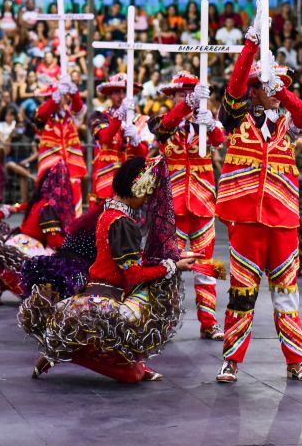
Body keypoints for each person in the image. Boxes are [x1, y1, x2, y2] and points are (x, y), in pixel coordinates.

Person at [20, 157, 197, 383]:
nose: (145, 202)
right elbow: (134, 275)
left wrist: (172, 258)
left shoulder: (107, 214)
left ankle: (67, 352)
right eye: (144, 195)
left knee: (126, 357)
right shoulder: (124, 223)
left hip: (92, 290)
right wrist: (170, 266)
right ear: (135, 189)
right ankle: (63, 354)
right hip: (108, 298)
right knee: (131, 374)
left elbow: (129, 260)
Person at [214, 2, 302, 384]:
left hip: (283, 218)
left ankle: (297, 361)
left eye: (274, 87)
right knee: (242, 294)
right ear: (253, 92)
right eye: (264, 88)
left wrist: (285, 92)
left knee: (287, 295)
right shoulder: (237, 115)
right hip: (245, 220)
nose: (271, 93)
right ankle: (231, 360)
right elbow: (235, 86)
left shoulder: (288, 120)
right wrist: (251, 45)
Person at [149, 71, 227, 340]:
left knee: (206, 265)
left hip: (203, 202)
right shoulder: (161, 121)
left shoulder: (205, 123)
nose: (188, 98)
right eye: (182, 94)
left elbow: (219, 141)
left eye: (192, 93)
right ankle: (163, 322)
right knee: (170, 265)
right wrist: (188, 106)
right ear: (172, 97)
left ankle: (209, 322)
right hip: (174, 204)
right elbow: (163, 130)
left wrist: (213, 125)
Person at [0, 162, 74, 303]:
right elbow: (53, 240)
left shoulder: (37, 202)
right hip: (32, 245)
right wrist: (73, 244)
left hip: (17, 240)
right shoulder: (49, 207)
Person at [88, 74, 149, 209]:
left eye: (125, 92)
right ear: (109, 95)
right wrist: (120, 115)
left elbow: (145, 156)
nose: (122, 96)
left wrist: (136, 140)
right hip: (106, 183)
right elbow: (104, 138)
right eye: (117, 92)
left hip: (132, 186)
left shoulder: (143, 120)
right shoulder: (99, 117)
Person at [33, 75, 87, 215]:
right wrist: (53, 100)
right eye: (58, 97)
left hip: (71, 165)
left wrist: (74, 93)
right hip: (51, 166)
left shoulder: (69, 114)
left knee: (75, 198)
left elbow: (79, 107)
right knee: (51, 198)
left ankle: (75, 228)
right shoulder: (43, 114)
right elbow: (41, 116)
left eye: (62, 96)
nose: (61, 100)